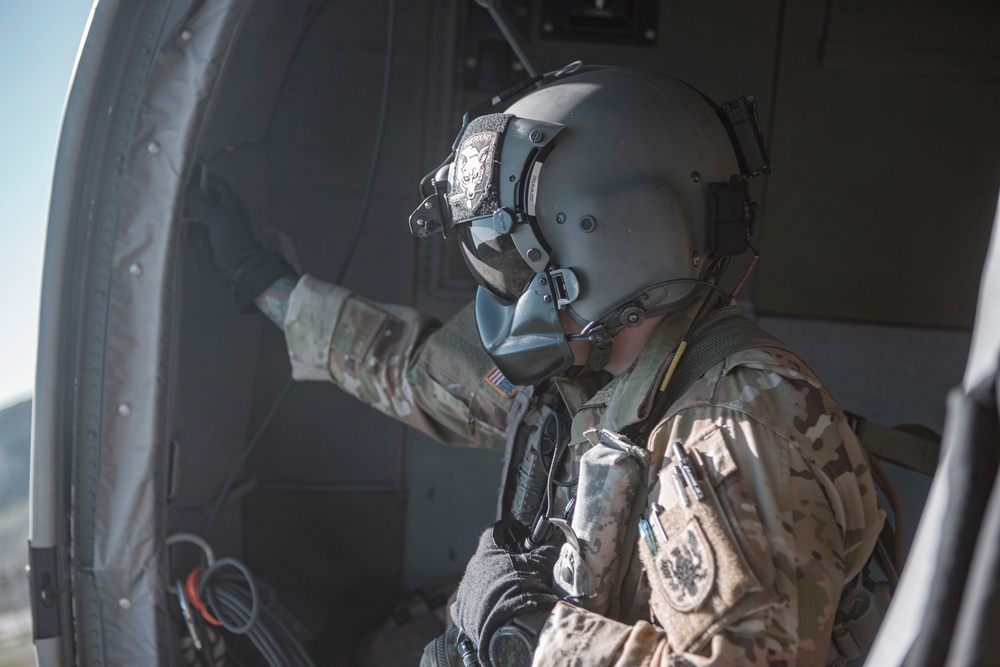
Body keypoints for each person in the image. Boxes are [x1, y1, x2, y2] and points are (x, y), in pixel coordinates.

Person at [186, 66, 884, 666]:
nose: (509, 290)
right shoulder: (588, 377)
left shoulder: (730, 424)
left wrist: (530, 633)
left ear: (605, 240)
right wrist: (263, 282)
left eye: (520, 258)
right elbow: (422, 370)